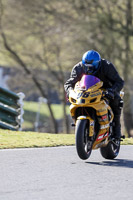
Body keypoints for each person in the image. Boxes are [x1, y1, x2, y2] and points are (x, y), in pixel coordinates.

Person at [64, 50, 124, 139]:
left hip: (106, 90)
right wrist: (70, 92)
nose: (89, 69)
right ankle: (80, 124)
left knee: (116, 103)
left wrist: (112, 91)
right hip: (86, 91)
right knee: (76, 103)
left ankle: (116, 134)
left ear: (98, 63)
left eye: (92, 67)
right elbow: (69, 83)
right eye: (86, 67)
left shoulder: (107, 66)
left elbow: (119, 82)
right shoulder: (78, 67)